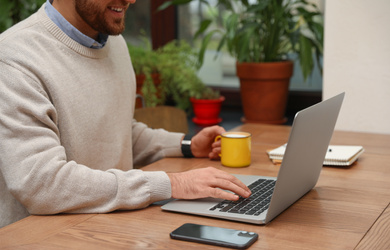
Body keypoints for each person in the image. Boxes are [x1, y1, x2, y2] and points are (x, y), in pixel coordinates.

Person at [0, 0, 251, 228]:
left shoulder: (115, 44)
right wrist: (173, 184)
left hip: (114, 229)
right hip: (45, 242)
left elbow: (119, 133)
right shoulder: (15, 59)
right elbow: (42, 184)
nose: (131, 0)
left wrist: (187, 145)